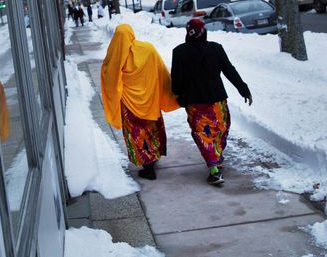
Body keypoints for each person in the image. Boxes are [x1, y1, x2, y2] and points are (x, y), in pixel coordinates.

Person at [170, 18, 252, 186]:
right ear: (203, 32)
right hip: (217, 101)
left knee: (202, 134)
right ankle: (215, 164)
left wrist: (179, 93)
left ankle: (213, 163)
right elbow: (230, 71)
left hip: (194, 103)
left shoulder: (179, 52)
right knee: (220, 129)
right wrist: (243, 88)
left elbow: (176, 82)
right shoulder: (215, 49)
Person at [101, 24, 179, 180]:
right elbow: (161, 70)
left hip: (129, 105)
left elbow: (109, 77)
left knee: (137, 134)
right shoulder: (148, 49)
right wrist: (171, 91)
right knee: (151, 130)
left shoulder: (115, 57)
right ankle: (154, 156)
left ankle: (148, 166)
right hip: (150, 101)